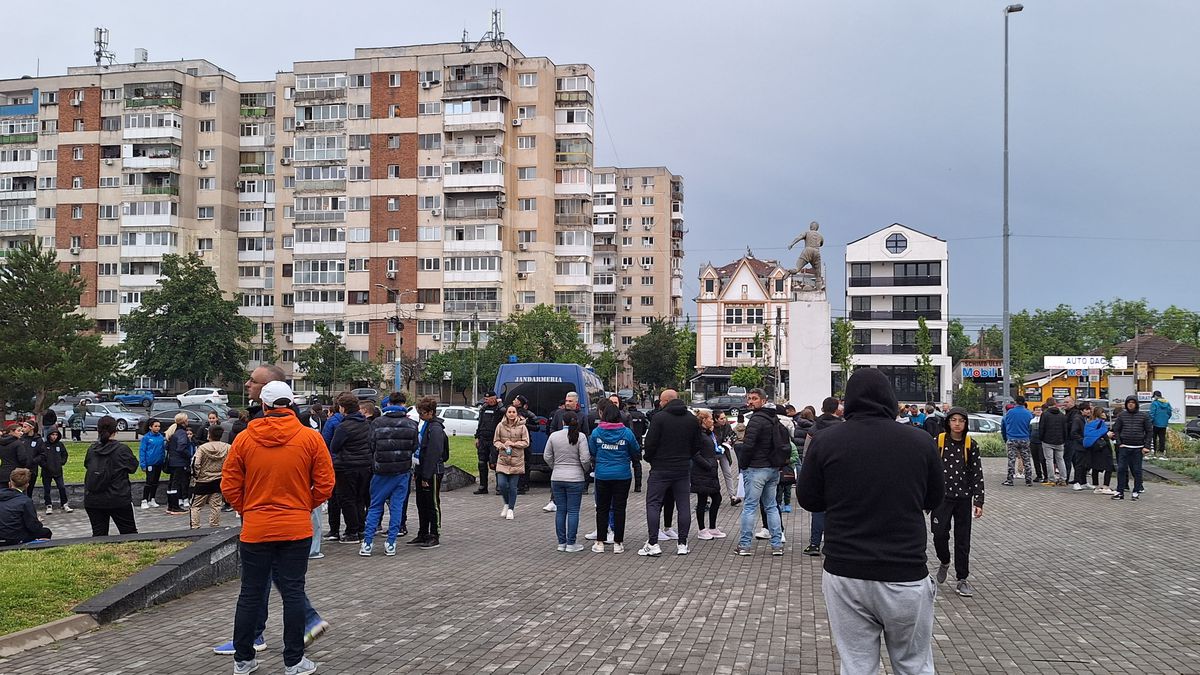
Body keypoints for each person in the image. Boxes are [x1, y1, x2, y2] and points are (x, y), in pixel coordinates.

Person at [796, 368, 944, 675]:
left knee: (858, 665)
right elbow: (933, 500)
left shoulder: (825, 441)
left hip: (846, 570)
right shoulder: (921, 442)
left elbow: (809, 500)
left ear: (847, 402)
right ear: (890, 400)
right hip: (905, 570)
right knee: (914, 664)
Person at [211, 366, 331, 660]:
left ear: (264, 402)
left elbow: (229, 484)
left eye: (253, 381)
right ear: (290, 403)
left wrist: (247, 508)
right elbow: (326, 483)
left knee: (250, 593)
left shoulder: (244, 438)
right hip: (295, 527)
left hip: (256, 527)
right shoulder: (310, 438)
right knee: (290, 591)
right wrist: (304, 504)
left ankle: (244, 658)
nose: (247, 383)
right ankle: (293, 660)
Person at [639, 389, 704, 557]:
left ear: (666, 401)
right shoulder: (691, 419)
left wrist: (650, 459)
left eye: (661, 401)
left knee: (653, 503)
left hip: (660, 468)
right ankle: (682, 543)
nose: (659, 404)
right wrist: (686, 457)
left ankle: (653, 543)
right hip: (682, 468)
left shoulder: (659, 418)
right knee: (683, 505)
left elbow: (651, 443)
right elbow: (697, 445)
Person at [932, 408, 985, 598]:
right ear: (948, 422)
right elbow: (929, 468)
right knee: (939, 535)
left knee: (963, 540)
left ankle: (962, 578)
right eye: (953, 420)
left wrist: (979, 500)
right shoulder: (938, 441)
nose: (957, 424)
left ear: (965, 423)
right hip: (941, 498)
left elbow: (977, 473)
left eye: (961, 420)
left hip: (963, 498)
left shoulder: (971, 444)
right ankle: (944, 561)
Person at [360, 392, 418, 557]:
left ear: (388, 403)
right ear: (403, 403)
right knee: (397, 507)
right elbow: (414, 446)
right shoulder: (411, 424)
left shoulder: (377, 423)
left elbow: (371, 445)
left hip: (381, 471)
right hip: (402, 471)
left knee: (375, 507)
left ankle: (367, 543)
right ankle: (391, 543)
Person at [734, 388, 788, 557]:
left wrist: (743, 464)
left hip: (756, 468)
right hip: (772, 468)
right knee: (772, 506)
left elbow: (748, 446)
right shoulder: (774, 419)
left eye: (754, 399)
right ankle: (777, 544)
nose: (750, 401)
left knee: (750, 506)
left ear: (763, 401)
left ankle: (744, 545)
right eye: (749, 398)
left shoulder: (756, 420)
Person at [589, 405, 641, 554]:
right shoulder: (627, 433)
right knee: (619, 509)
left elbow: (592, 450)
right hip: (622, 475)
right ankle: (618, 543)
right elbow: (635, 450)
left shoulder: (597, 432)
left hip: (602, 475)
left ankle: (600, 542)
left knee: (602, 509)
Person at [83, 416, 139, 537]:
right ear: (115, 431)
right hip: (118, 497)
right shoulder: (122, 449)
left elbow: (87, 465)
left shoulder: (92, 449)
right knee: (130, 534)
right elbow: (133, 467)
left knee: (98, 535)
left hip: (93, 499)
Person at [801, 396, 843, 556]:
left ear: (822, 408)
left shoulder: (814, 428)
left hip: (819, 474)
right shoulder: (843, 427)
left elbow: (806, 454)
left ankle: (814, 544)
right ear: (836, 409)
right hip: (839, 474)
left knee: (818, 510)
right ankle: (835, 542)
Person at [544, 410, 591, 552]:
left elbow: (547, 456)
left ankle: (561, 543)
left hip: (557, 477)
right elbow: (585, 458)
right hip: (575, 478)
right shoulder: (581, 437)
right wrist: (584, 470)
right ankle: (571, 543)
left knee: (560, 511)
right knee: (573, 511)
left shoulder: (554, 436)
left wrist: (555, 466)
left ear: (562, 422)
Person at [329, 392, 372, 544]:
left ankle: (351, 531)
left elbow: (334, 446)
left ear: (343, 408)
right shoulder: (365, 423)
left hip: (347, 466)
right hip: (365, 465)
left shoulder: (344, 426)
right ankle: (360, 528)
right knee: (360, 498)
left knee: (346, 499)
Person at [411, 397, 449, 549]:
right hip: (422, 469)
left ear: (431, 412)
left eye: (423, 412)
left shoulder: (435, 428)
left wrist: (426, 475)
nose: (420, 415)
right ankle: (423, 532)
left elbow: (435, 452)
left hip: (432, 471)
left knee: (432, 503)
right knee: (422, 503)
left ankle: (434, 534)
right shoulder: (426, 425)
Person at [1111, 396, 1153, 501]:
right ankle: (1120, 492)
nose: (1131, 404)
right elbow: (1116, 429)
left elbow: (1149, 431)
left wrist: (1146, 446)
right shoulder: (1122, 416)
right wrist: (1119, 443)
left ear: (1136, 404)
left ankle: (1136, 491)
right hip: (1124, 447)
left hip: (1138, 448)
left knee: (1137, 470)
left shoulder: (1143, 416)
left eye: (1133, 402)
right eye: (1129, 402)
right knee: (1121, 469)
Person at [492, 405, 530, 519]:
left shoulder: (522, 427)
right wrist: (502, 446)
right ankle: (506, 503)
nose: (511, 414)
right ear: (506, 413)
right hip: (503, 459)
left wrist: (514, 444)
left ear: (516, 413)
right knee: (502, 484)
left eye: (514, 412)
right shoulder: (500, 425)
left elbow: (526, 442)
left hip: (516, 460)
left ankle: (511, 509)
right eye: (509, 411)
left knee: (513, 486)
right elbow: (496, 441)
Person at [692, 410, 725, 540]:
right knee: (702, 500)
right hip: (702, 471)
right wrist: (707, 464)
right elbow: (695, 453)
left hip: (710, 471)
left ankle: (712, 527)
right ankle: (702, 529)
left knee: (716, 498)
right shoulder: (699, 435)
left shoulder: (708, 433)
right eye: (710, 418)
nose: (712, 420)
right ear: (704, 420)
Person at [190, 426, 229, 528]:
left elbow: (195, 464)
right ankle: (214, 525)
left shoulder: (202, 448)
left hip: (203, 480)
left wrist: (196, 475)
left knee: (196, 506)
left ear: (209, 435)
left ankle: (195, 527)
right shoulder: (227, 447)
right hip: (219, 480)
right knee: (216, 505)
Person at [0, 469, 52, 546]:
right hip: (15, 539)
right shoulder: (25, 501)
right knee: (46, 532)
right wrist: (38, 522)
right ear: (27, 485)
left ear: (9, 483)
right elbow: (33, 527)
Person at [473, 391, 503, 496]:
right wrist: (477, 437)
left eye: (487, 399)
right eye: (485, 399)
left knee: (495, 463)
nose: (485, 401)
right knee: (481, 463)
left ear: (494, 398)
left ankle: (499, 487)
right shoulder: (484, 409)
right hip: (483, 439)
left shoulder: (499, 409)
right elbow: (480, 423)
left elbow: (504, 412)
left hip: (494, 440)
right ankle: (483, 486)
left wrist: (500, 404)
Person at [1001, 395, 1035, 487]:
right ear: (1024, 402)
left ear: (1015, 402)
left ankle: (1010, 480)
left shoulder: (1010, 413)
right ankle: (1028, 480)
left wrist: (1006, 437)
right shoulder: (1029, 413)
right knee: (1026, 460)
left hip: (1012, 438)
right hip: (1025, 439)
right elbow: (1031, 427)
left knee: (1011, 460)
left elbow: (1004, 424)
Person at [163, 413, 192, 515]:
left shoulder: (173, 432)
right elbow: (181, 447)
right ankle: (175, 507)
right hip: (179, 463)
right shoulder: (182, 433)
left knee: (171, 484)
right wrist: (190, 455)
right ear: (184, 421)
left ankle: (171, 506)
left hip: (172, 462)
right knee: (176, 483)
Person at [1083, 407, 1116, 495]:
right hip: (1103, 447)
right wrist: (1107, 435)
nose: (1105, 414)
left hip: (1093, 448)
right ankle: (1105, 486)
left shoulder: (1088, 423)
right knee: (1109, 466)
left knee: (1095, 467)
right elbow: (1102, 435)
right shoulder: (1100, 423)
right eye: (1103, 412)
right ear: (1100, 414)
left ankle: (1096, 486)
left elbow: (1089, 435)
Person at [1038, 398, 1069, 486]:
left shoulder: (1045, 414)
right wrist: (1064, 439)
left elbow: (1042, 428)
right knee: (1060, 460)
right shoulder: (1062, 415)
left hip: (1047, 440)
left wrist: (1041, 438)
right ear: (1055, 404)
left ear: (1047, 404)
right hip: (1060, 441)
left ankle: (1051, 479)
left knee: (1049, 460)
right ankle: (1063, 479)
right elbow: (1065, 429)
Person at [39, 429, 71, 514]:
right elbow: (40, 457)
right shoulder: (44, 445)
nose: (54, 437)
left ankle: (64, 503)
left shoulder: (60, 445)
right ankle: (48, 505)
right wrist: (45, 465)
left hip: (58, 471)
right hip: (46, 471)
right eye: (52, 435)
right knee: (47, 489)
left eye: (56, 435)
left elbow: (64, 454)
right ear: (49, 435)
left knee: (61, 487)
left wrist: (62, 462)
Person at [138, 419, 166, 509]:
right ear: (150, 427)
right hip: (150, 463)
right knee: (149, 482)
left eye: (159, 426)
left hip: (159, 463)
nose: (157, 428)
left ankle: (152, 499)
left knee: (155, 482)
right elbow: (142, 451)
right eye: (155, 426)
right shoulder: (146, 438)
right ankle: (144, 500)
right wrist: (143, 464)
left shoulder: (161, 437)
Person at [1069, 402, 1092, 491]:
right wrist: (1082, 440)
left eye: (1089, 409)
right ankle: (1077, 482)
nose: (1088, 411)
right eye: (1086, 409)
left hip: (1084, 445)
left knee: (1084, 464)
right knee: (1079, 464)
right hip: (1079, 445)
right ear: (1082, 410)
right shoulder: (1077, 419)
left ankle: (1084, 482)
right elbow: (1074, 433)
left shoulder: (1084, 418)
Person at [19, 423, 46, 499]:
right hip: (21, 469)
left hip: (32, 470)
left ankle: (28, 506)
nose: (23, 429)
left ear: (31, 428)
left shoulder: (38, 440)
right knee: (21, 491)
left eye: (25, 427)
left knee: (29, 490)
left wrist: (33, 461)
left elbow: (42, 454)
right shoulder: (21, 439)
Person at [1148, 391, 1173, 457]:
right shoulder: (1167, 403)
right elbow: (1169, 413)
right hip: (1164, 424)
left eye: (1154, 396)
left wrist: (1150, 421)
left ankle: (1154, 451)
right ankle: (1161, 451)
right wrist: (1166, 419)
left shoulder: (1154, 403)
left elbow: (1152, 413)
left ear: (1156, 396)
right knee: (1162, 438)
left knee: (1153, 437)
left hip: (1155, 423)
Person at [1028, 406, 1046, 484]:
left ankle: (1046, 476)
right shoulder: (1031, 420)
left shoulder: (1044, 420)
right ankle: (1039, 475)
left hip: (1041, 442)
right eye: (1036, 410)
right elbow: (1029, 430)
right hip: (1033, 442)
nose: (1038, 411)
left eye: (1040, 410)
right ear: (1034, 412)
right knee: (1035, 459)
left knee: (1043, 459)